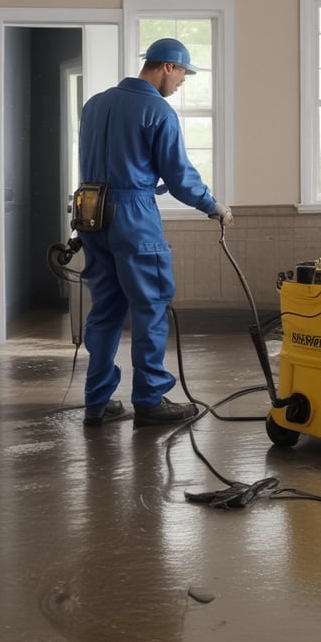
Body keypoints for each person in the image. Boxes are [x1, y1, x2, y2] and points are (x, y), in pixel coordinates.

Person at [78, 37, 233, 427]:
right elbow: (180, 177)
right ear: (166, 67)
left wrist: (143, 183)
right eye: (182, 73)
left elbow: (115, 163)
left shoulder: (94, 104)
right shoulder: (157, 110)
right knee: (149, 307)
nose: (181, 82)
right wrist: (213, 206)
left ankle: (96, 401)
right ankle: (149, 400)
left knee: (105, 310)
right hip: (133, 219)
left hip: (91, 213)